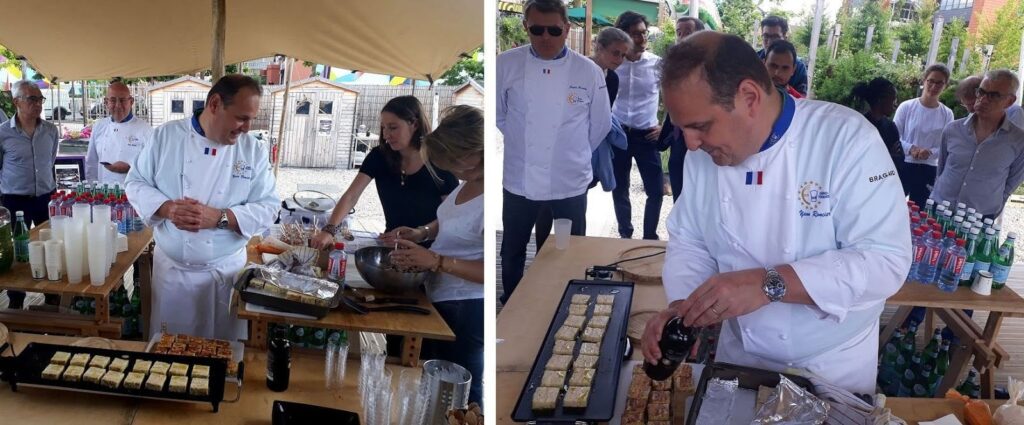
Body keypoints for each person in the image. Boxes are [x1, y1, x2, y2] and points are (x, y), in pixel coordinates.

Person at [641, 32, 911, 394]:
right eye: (681, 128)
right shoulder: (702, 156)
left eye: (700, 126)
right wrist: (684, 308)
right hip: (741, 355)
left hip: (831, 363)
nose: (689, 143)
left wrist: (767, 284)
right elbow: (691, 241)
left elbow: (886, 261)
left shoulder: (846, 139)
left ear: (749, 97)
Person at [124, 75, 279, 340]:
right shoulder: (165, 137)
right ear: (215, 104)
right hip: (173, 277)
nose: (247, 127)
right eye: (242, 118)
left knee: (223, 359)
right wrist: (167, 208)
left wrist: (220, 217)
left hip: (225, 275)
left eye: (252, 119)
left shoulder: (253, 150)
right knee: (171, 358)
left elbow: (269, 207)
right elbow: (135, 183)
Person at [497, 0, 611, 304]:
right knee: (512, 249)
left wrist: (567, 152)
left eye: (553, 30)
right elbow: (500, 116)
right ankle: (511, 302)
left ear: (566, 28)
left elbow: (599, 124)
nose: (545, 37)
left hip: (569, 180)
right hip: (520, 179)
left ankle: (568, 301)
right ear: (526, 27)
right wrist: (524, 145)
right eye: (536, 29)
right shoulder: (505, 65)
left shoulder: (588, 71)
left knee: (571, 248)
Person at [384, 105, 484, 406]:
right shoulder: (469, 181)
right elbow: (450, 219)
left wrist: (437, 262)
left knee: (463, 395)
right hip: (442, 297)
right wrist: (423, 232)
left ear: (475, 151)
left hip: (468, 309)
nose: (452, 169)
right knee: (432, 387)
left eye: (455, 162)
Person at [309, 96, 458, 249]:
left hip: (432, 251)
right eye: (383, 127)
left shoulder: (440, 161)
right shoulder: (379, 156)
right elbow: (351, 196)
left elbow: (453, 215)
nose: (386, 134)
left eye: (393, 127)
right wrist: (329, 230)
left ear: (414, 124)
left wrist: (421, 233)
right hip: (391, 247)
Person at [534, 27, 631, 246]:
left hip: (590, 147)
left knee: (577, 205)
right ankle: (541, 254)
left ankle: (573, 254)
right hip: (560, 145)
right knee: (547, 205)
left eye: (624, 55)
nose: (620, 59)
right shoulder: (575, 70)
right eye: (616, 53)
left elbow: (602, 118)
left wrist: (586, 148)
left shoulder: (613, 79)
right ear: (599, 47)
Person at [0, 80, 60, 309]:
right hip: (14, 200)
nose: (38, 104)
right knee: (18, 251)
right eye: (32, 99)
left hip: (45, 197)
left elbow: (50, 161)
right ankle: (16, 300)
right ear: (16, 102)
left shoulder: (50, 130)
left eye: (40, 99)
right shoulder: (3, 133)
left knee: (50, 246)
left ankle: (52, 296)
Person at [932, 69, 1024, 219]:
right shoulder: (953, 130)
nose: (983, 99)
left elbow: (1011, 184)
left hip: (979, 217)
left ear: (1010, 101)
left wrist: (994, 208)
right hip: (940, 207)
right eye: (981, 92)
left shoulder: (1018, 141)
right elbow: (942, 170)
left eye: (993, 95)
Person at [611, 11, 663, 240]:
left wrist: (666, 127)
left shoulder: (658, 65)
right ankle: (625, 234)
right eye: (635, 35)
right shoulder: (612, 65)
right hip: (619, 134)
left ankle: (650, 236)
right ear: (623, 36)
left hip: (648, 136)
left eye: (644, 33)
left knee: (656, 191)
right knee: (619, 188)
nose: (642, 40)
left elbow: (676, 97)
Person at [894, 64, 954, 206]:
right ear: (924, 81)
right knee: (894, 204)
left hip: (929, 168)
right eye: (931, 81)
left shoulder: (947, 114)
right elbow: (894, 136)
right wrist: (911, 149)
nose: (934, 86)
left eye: (939, 83)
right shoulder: (907, 107)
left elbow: (948, 145)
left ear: (945, 85)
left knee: (919, 209)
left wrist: (930, 153)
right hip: (904, 163)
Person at [661, 16, 705, 202]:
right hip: (679, 140)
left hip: (705, 142)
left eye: (687, 32)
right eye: (679, 33)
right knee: (679, 195)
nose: (682, 37)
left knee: (701, 194)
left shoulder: (713, 66)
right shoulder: (674, 65)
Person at [85, 81, 153, 184]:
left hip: (135, 194)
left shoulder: (145, 129)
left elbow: (152, 165)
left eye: (122, 100)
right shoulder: (99, 126)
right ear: (106, 102)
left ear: (131, 102)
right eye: (113, 100)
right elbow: (91, 163)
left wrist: (131, 168)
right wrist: (92, 190)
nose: (118, 105)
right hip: (104, 194)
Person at [851, 78, 904, 182]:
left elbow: (899, 161)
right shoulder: (860, 126)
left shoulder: (891, 127)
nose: (896, 104)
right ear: (881, 99)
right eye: (893, 99)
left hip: (884, 183)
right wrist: (888, 156)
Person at [757, 16, 808, 96]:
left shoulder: (799, 67)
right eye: (766, 36)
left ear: (785, 37)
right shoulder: (753, 61)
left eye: (775, 37)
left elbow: (801, 102)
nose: (770, 41)